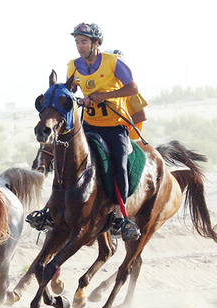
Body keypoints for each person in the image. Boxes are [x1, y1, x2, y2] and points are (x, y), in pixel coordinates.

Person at [70, 22, 140, 241]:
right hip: (89, 124)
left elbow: (133, 88)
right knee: (67, 159)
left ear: (96, 43)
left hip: (114, 126)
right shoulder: (73, 66)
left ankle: (122, 217)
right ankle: (50, 210)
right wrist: (77, 98)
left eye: (84, 42)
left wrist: (103, 96)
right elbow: (70, 89)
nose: (80, 46)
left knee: (119, 166)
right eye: (77, 42)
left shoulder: (113, 63)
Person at [104, 49, 148, 140]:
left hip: (130, 138)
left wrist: (116, 124)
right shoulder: (104, 89)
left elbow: (141, 115)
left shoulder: (131, 91)